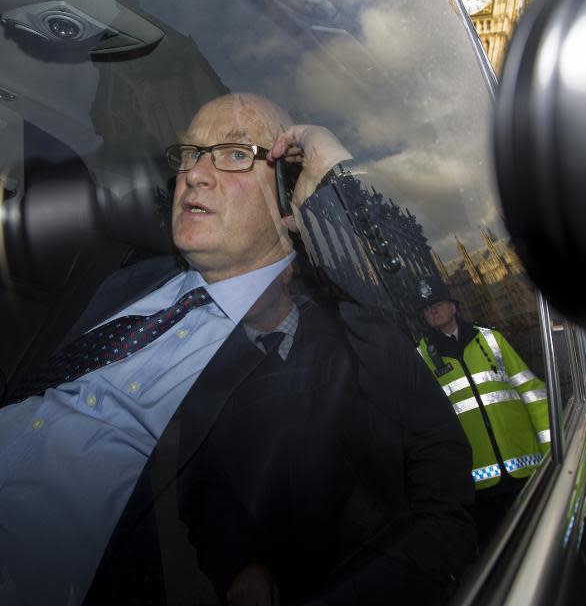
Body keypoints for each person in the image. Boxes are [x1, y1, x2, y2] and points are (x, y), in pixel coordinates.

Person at [0, 94, 476, 606]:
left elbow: (440, 511)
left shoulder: (328, 341)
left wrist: (332, 194)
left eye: (233, 154)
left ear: (287, 193)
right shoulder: (119, 273)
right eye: (191, 153)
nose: (196, 175)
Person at [415, 275, 550, 544]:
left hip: (528, 471)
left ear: (454, 306)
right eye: (427, 308)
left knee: (545, 542)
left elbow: (533, 394)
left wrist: (552, 451)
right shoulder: (420, 359)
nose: (434, 310)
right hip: (477, 488)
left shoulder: (491, 340)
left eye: (438, 303)